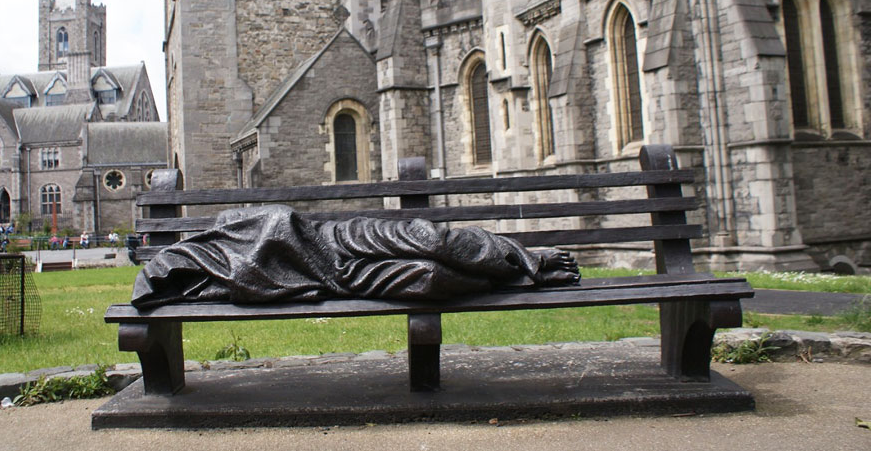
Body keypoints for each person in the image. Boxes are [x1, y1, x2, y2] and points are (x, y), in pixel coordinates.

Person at [132, 205, 579, 308]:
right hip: (338, 278)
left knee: (432, 241)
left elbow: (282, 221)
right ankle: (511, 279)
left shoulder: (226, 228)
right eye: (172, 282)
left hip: (341, 240)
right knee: (427, 278)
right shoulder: (211, 284)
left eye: (172, 274)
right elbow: (257, 287)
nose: (175, 280)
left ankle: (529, 260)